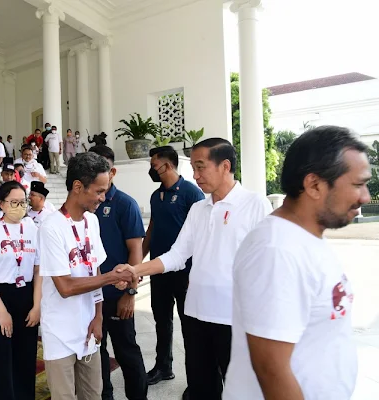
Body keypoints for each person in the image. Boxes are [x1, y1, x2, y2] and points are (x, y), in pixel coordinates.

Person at [116, 139, 273, 400]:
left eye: (201, 167)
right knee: (202, 387)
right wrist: (135, 270)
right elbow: (177, 255)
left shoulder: (255, 204)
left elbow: (266, 266)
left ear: (225, 166)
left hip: (234, 318)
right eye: (194, 169)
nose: (196, 175)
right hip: (196, 315)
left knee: (240, 391)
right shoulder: (199, 209)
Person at [223, 126, 370, 400]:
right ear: (314, 185)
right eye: (357, 184)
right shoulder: (276, 251)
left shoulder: (304, 238)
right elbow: (271, 369)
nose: (366, 197)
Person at [38, 152, 134, 399]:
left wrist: (98, 315)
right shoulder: (51, 227)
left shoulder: (92, 221)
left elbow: (95, 269)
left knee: (93, 394)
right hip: (60, 332)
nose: (103, 198)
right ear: (78, 187)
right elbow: (65, 287)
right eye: (99, 191)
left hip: (89, 328)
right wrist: (112, 278)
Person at [141, 146, 204, 394]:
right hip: (160, 270)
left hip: (185, 273)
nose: (151, 169)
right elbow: (151, 230)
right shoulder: (156, 196)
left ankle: (196, 380)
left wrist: (195, 272)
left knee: (190, 328)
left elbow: (202, 235)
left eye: (153, 165)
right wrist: (138, 265)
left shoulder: (191, 192)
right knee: (162, 322)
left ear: (167, 165)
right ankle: (163, 367)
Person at [89, 145, 148, 400]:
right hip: (91, 295)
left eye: (102, 168)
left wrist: (130, 294)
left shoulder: (125, 204)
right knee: (96, 353)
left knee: (126, 351)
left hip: (117, 294)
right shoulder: (87, 204)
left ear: (112, 171)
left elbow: (136, 252)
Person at [0, 181, 41, 400]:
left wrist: (37, 305)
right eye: (14, 202)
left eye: (23, 202)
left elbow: (38, 269)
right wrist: (2, 312)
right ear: (1, 203)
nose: (19, 207)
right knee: (0, 357)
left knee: (25, 354)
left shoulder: (32, 228)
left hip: (26, 294)